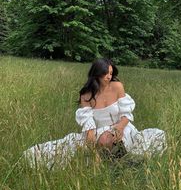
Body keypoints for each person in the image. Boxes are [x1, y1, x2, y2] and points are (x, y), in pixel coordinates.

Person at [24, 58, 166, 169]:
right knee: (68, 150)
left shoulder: (117, 87)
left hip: (120, 128)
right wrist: (91, 144)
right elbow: (89, 126)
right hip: (96, 132)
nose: (109, 76)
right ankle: (106, 161)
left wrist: (119, 128)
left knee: (154, 138)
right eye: (106, 73)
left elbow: (126, 113)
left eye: (111, 73)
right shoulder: (86, 95)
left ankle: (120, 159)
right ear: (97, 73)